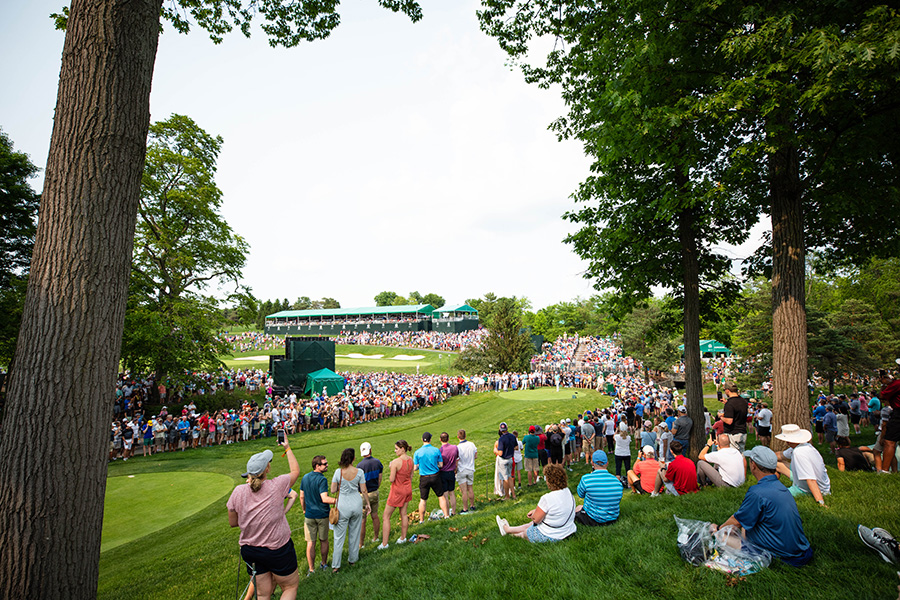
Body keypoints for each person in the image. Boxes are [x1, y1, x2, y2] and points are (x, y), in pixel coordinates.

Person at [715, 445, 813, 567]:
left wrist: (718, 530)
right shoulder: (781, 488)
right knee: (747, 525)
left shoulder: (757, 492)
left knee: (721, 537)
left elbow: (736, 521)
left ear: (753, 465)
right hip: (802, 550)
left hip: (783, 556)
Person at [227, 441, 301, 600]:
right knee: (290, 587)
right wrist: (287, 446)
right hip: (277, 548)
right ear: (267, 469)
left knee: (262, 594)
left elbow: (233, 522)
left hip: (251, 550)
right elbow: (295, 470)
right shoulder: (277, 485)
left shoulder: (238, 491)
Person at [496, 464, 577, 542]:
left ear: (549, 481)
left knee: (527, 532)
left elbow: (536, 520)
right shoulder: (568, 492)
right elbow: (556, 508)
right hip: (567, 530)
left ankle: (512, 534)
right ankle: (508, 529)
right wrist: (536, 511)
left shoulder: (547, 498)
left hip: (552, 534)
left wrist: (534, 514)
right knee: (530, 525)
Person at [330, 448, 371, 573]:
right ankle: (353, 559)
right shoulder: (359, 472)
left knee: (339, 537)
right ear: (353, 459)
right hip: (356, 503)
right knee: (354, 533)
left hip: (343, 504)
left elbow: (332, 490)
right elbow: (364, 490)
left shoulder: (338, 472)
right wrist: (368, 504)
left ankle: (336, 565)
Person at [774, 424, 831, 507]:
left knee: (775, 496)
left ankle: (771, 489)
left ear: (787, 441)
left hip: (810, 489)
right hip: (822, 486)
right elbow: (780, 455)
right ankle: (770, 485)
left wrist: (820, 502)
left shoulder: (799, 453)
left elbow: (810, 479)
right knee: (775, 464)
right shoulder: (804, 446)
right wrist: (763, 456)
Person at [298, 455, 334, 576]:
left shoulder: (305, 477)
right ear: (317, 466)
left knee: (310, 543)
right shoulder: (322, 479)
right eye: (324, 464)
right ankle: (324, 564)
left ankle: (311, 569)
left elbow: (301, 496)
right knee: (323, 540)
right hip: (322, 515)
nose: (327, 465)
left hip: (309, 515)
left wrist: (304, 510)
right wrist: (338, 501)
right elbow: (324, 498)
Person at [378, 440, 414, 549]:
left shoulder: (395, 462)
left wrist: (391, 468)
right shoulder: (411, 460)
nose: (395, 451)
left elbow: (391, 479)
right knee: (403, 514)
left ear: (403, 449)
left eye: (396, 449)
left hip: (397, 491)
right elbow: (411, 477)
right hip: (407, 489)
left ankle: (384, 544)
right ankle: (403, 538)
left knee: (386, 516)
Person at [574, 451, 622, 526]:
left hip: (593, 518)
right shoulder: (617, 481)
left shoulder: (586, 479)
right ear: (607, 463)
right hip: (613, 518)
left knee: (578, 508)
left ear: (592, 463)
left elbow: (580, 494)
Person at [413, 431, 448, 522]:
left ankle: (421, 520)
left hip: (424, 477)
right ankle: (446, 515)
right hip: (435, 476)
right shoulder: (436, 450)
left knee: (423, 499)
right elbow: (441, 464)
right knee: (441, 496)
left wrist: (421, 465)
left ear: (422, 440)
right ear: (430, 440)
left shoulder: (417, 452)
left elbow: (415, 467)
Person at [357, 442, 383, 550]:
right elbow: (380, 478)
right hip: (374, 492)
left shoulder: (359, 466)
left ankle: (361, 544)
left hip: (364, 495)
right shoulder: (377, 462)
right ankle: (376, 537)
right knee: (375, 515)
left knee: (362, 520)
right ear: (370, 450)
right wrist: (376, 487)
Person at [877, 370, 900, 474]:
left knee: (890, 441)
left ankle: (885, 470)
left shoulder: (896, 384)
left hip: (898, 413)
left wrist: (884, 384)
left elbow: (882, 396)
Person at [721, 383, 748, 451]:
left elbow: (729, 421)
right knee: (741, 454)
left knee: (734, 456)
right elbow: (737, 409)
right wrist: (726, 403)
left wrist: (720, 417)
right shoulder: (743, 401)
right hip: (743, 431)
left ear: (727, 390)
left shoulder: (730, 404)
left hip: (733, 433)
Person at [495, 422, 517, 500]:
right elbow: (516, 447)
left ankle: (507, 496)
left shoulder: (501, 439)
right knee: (510, 476)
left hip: (503, 460)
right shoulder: (512, 436)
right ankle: (513, 495)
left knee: (505, 479)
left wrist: (495, 450)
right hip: (510, 459)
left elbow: (500, 453)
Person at [456, 430, 477, 512]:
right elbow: (475, 455)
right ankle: (472, 505)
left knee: (464, 491)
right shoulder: (472, 444)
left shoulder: (458, 447)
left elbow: (457, 460)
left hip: (461, 469)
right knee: (470, 488)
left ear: (458, 437)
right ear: (465, 436)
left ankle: (465, 508)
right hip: (470, 469)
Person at [439, 432, 459, 517]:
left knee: (445, 494)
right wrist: (456, 468)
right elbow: (457, 459)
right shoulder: (454, 448)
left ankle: (446, 513)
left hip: (443, 473)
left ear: (440, 440)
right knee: (452, 493)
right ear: (448, 438)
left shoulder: (440, 450)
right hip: (452, 472)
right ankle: (453, 511)